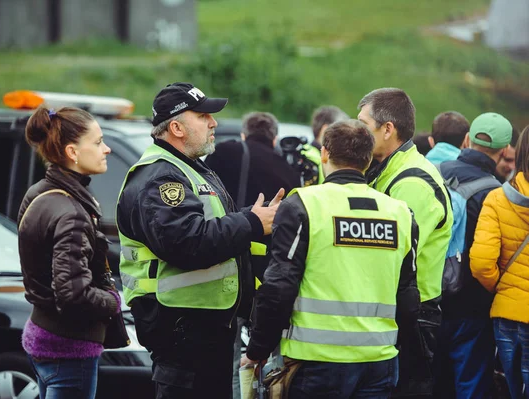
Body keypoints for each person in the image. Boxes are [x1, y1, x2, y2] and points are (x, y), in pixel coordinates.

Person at [116, 82, 282, 399]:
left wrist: (254, 216)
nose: (213, 122)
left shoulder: (191, 169)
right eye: (203, 115)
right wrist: (251, 221)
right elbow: (188, 243)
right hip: (182, 333)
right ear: (176, 127)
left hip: (205, 331)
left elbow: (209, 225)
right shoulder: (161, 177)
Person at [241, 119, 423, 398]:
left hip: (316, 361)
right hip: (378, 361)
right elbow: (408, 297)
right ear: (367, 158)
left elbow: (279, 287)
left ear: (324, 153)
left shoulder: (304, 204)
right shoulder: (399, 213)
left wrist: (257, 349)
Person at [18, 106, 122, 399]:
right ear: (73, 152)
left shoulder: (39, 192)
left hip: (41, 334)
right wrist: (113, 302)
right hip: (68, 347)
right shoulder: (71, 212)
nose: (107, 149)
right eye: (98, 142)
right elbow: (73, 294)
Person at [358, 88, 452, 396]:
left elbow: (392, 255)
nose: (356, 132)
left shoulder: (412, 182)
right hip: (396, 307)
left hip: (414, 317)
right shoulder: (387, 169)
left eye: (363, 124)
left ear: (388, 129)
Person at [205, 111, 300, 399]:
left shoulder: (226, 152)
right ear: (274, 138)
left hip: (234, 264)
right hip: (273, 273)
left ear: (244, 134)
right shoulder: (288, 168)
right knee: (271, 358)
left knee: (233, 358)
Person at [436, 112, 513, 398]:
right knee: (469, 386)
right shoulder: (496, 193)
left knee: (432, 384)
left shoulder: (435, 171)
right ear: (504, 151)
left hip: (429, 300)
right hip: (472, 307)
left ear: (467, 139)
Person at [470, 124, 529, 399]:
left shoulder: (498, 198)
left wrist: (505, 289)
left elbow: (481, 263)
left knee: (513, 388)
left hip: (508, 316)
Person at [205, 111, 300, 208]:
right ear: (275, 140)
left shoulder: (223, 151)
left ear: (243, 136)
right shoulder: (288, 171)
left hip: (223, 221)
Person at [303, 105, 350, 184]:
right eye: (342, 131)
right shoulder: (312, 160)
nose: (347, 138)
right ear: (326, 130)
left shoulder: (304, 151)